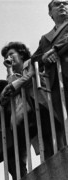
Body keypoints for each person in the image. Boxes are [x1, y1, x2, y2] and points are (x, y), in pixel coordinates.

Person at [1, 41, 58, 159]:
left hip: (46, 105)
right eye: (6, 57)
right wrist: (9, 70)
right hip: (36, 112)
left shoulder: (30, 63)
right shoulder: (16, 74)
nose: (8, 58)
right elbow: (14, 85)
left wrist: (12, 86)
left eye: (11, 54)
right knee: (47, 151)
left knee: (57, 143)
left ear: (21, 54)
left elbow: (27, 78)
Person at [32, 0, 68, 138]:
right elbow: (35, 58)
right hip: (55, 83)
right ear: (50, 13)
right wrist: (44, 59)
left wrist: (54, 50)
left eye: (65, 3)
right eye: (57, 4)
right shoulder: (45, 38)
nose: (62, 6)